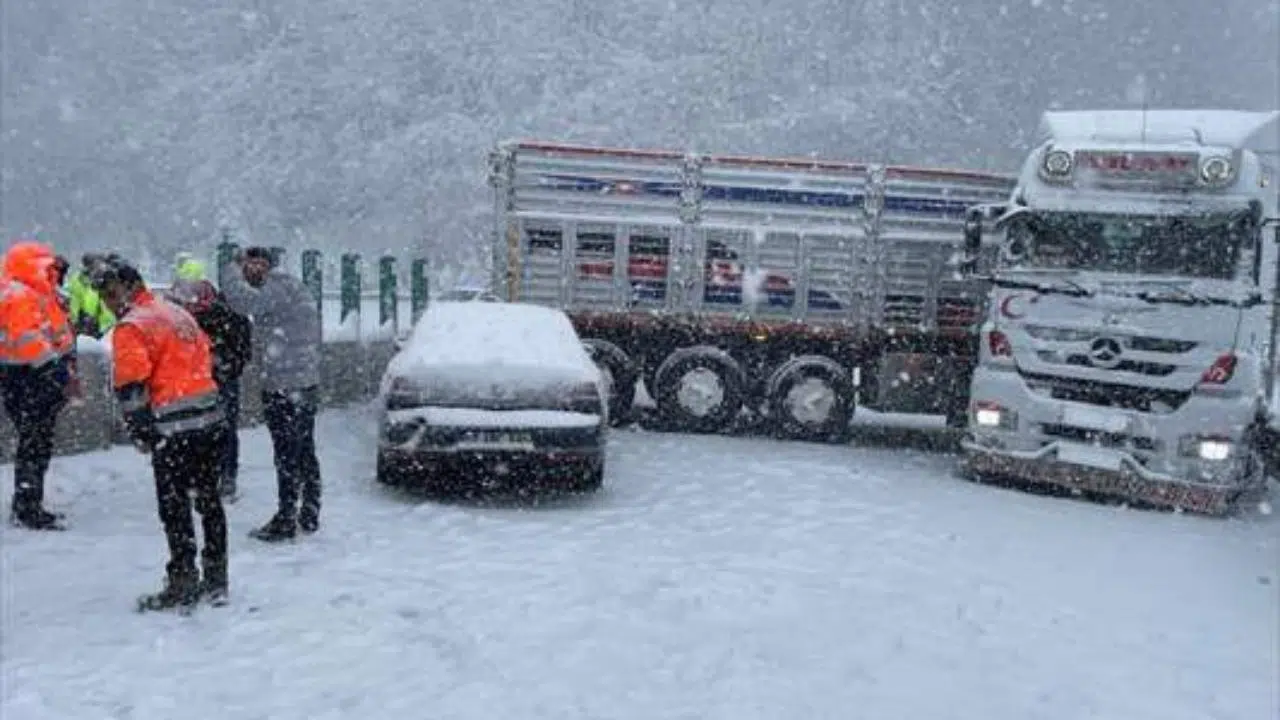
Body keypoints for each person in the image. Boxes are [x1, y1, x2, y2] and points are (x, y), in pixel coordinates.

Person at [89, 256, 230, 611]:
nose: (108, 303)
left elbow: (131, 387)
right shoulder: (175, 312)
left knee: (174, 506)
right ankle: (217, 579)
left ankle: (182, 580)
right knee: (209, 501)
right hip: (209, 419)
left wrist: (142, 433)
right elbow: (206, 359)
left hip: (173, 427)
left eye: (110, 293)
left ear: (129, 287)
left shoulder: (133, 326)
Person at [221, 246, 323, 541]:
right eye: (246, 266)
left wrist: (230, 268)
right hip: (302, 382)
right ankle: (309, 512)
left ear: (266, 266)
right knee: (303, 449)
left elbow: (241, 301)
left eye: (253, 266)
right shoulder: (291, 286)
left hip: (285, 383)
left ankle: (287, 517)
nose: (248, 272)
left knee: (287, 452)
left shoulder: (276, 287)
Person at [0, 241, 76, 530]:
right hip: (30, 377)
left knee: (35, 443)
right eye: (48, 267)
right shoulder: (21, 296)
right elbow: (27, 338)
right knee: (34, 444)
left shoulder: (32, 292)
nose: (53, 272)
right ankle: (28, 507)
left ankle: (29, 502)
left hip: (28, 377)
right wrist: (52, 367)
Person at [167, 257, 252, 500]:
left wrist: (221, 363)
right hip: (200, 381)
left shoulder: (216, 311)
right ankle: (212, 476)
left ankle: (221, 477)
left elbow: (242, 346)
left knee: (218, 429)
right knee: (203, 429)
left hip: (213, 380)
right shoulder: (213, 309)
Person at [66, 253, 116, 338]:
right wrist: (75, 321)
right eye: (92, 265)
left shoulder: (108, 281)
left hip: (102, 326)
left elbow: (108, 307)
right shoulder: (78, 280)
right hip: (87, 324)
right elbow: (74, 301)